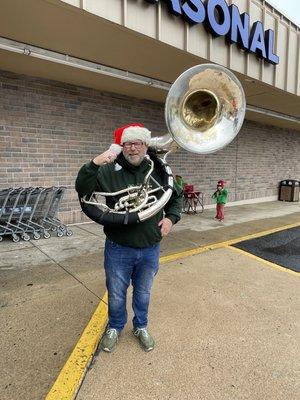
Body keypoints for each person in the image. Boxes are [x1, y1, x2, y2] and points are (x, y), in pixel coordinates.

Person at [75, 123, 182, 353]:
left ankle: (141, 326)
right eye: (128, 144)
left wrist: (171, 219)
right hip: (118, 247)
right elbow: (82, 188)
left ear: (146, 145)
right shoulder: (107, 169)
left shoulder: (159, 169)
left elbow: (175, 197)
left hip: (150, 247)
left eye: (138, 143)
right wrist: (95, 162)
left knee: (143, 292)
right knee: (115, 293)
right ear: (121, 146)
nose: (133, 148)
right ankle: (115, 326)